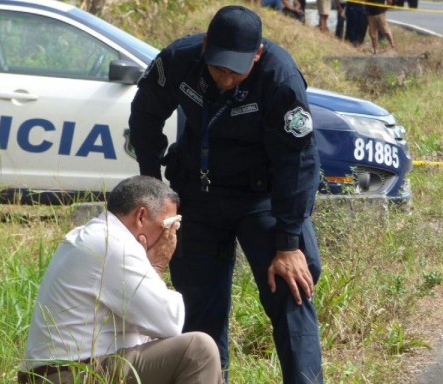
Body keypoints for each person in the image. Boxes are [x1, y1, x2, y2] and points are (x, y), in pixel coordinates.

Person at [129, 5, 323, 384]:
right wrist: (152, 188)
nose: (226, 77)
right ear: (205, 46)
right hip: (197, 195)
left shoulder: (279, 78)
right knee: (199, 308)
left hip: (261, 198)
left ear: (258, 54)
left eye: (237, 69)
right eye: (219, 67)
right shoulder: (179, 61)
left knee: (290, 292)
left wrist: (288, 244)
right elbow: (144, 116)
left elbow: (298, 162)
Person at [18, 176, 223, 384]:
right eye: (169, 225)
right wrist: (157, 266)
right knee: (198, 350)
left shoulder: (100, 235)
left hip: (65, 371)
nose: (170, 236)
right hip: (69, 374)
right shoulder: (114, 245)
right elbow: (169, 323)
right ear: (141, 216)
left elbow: (152, 331)